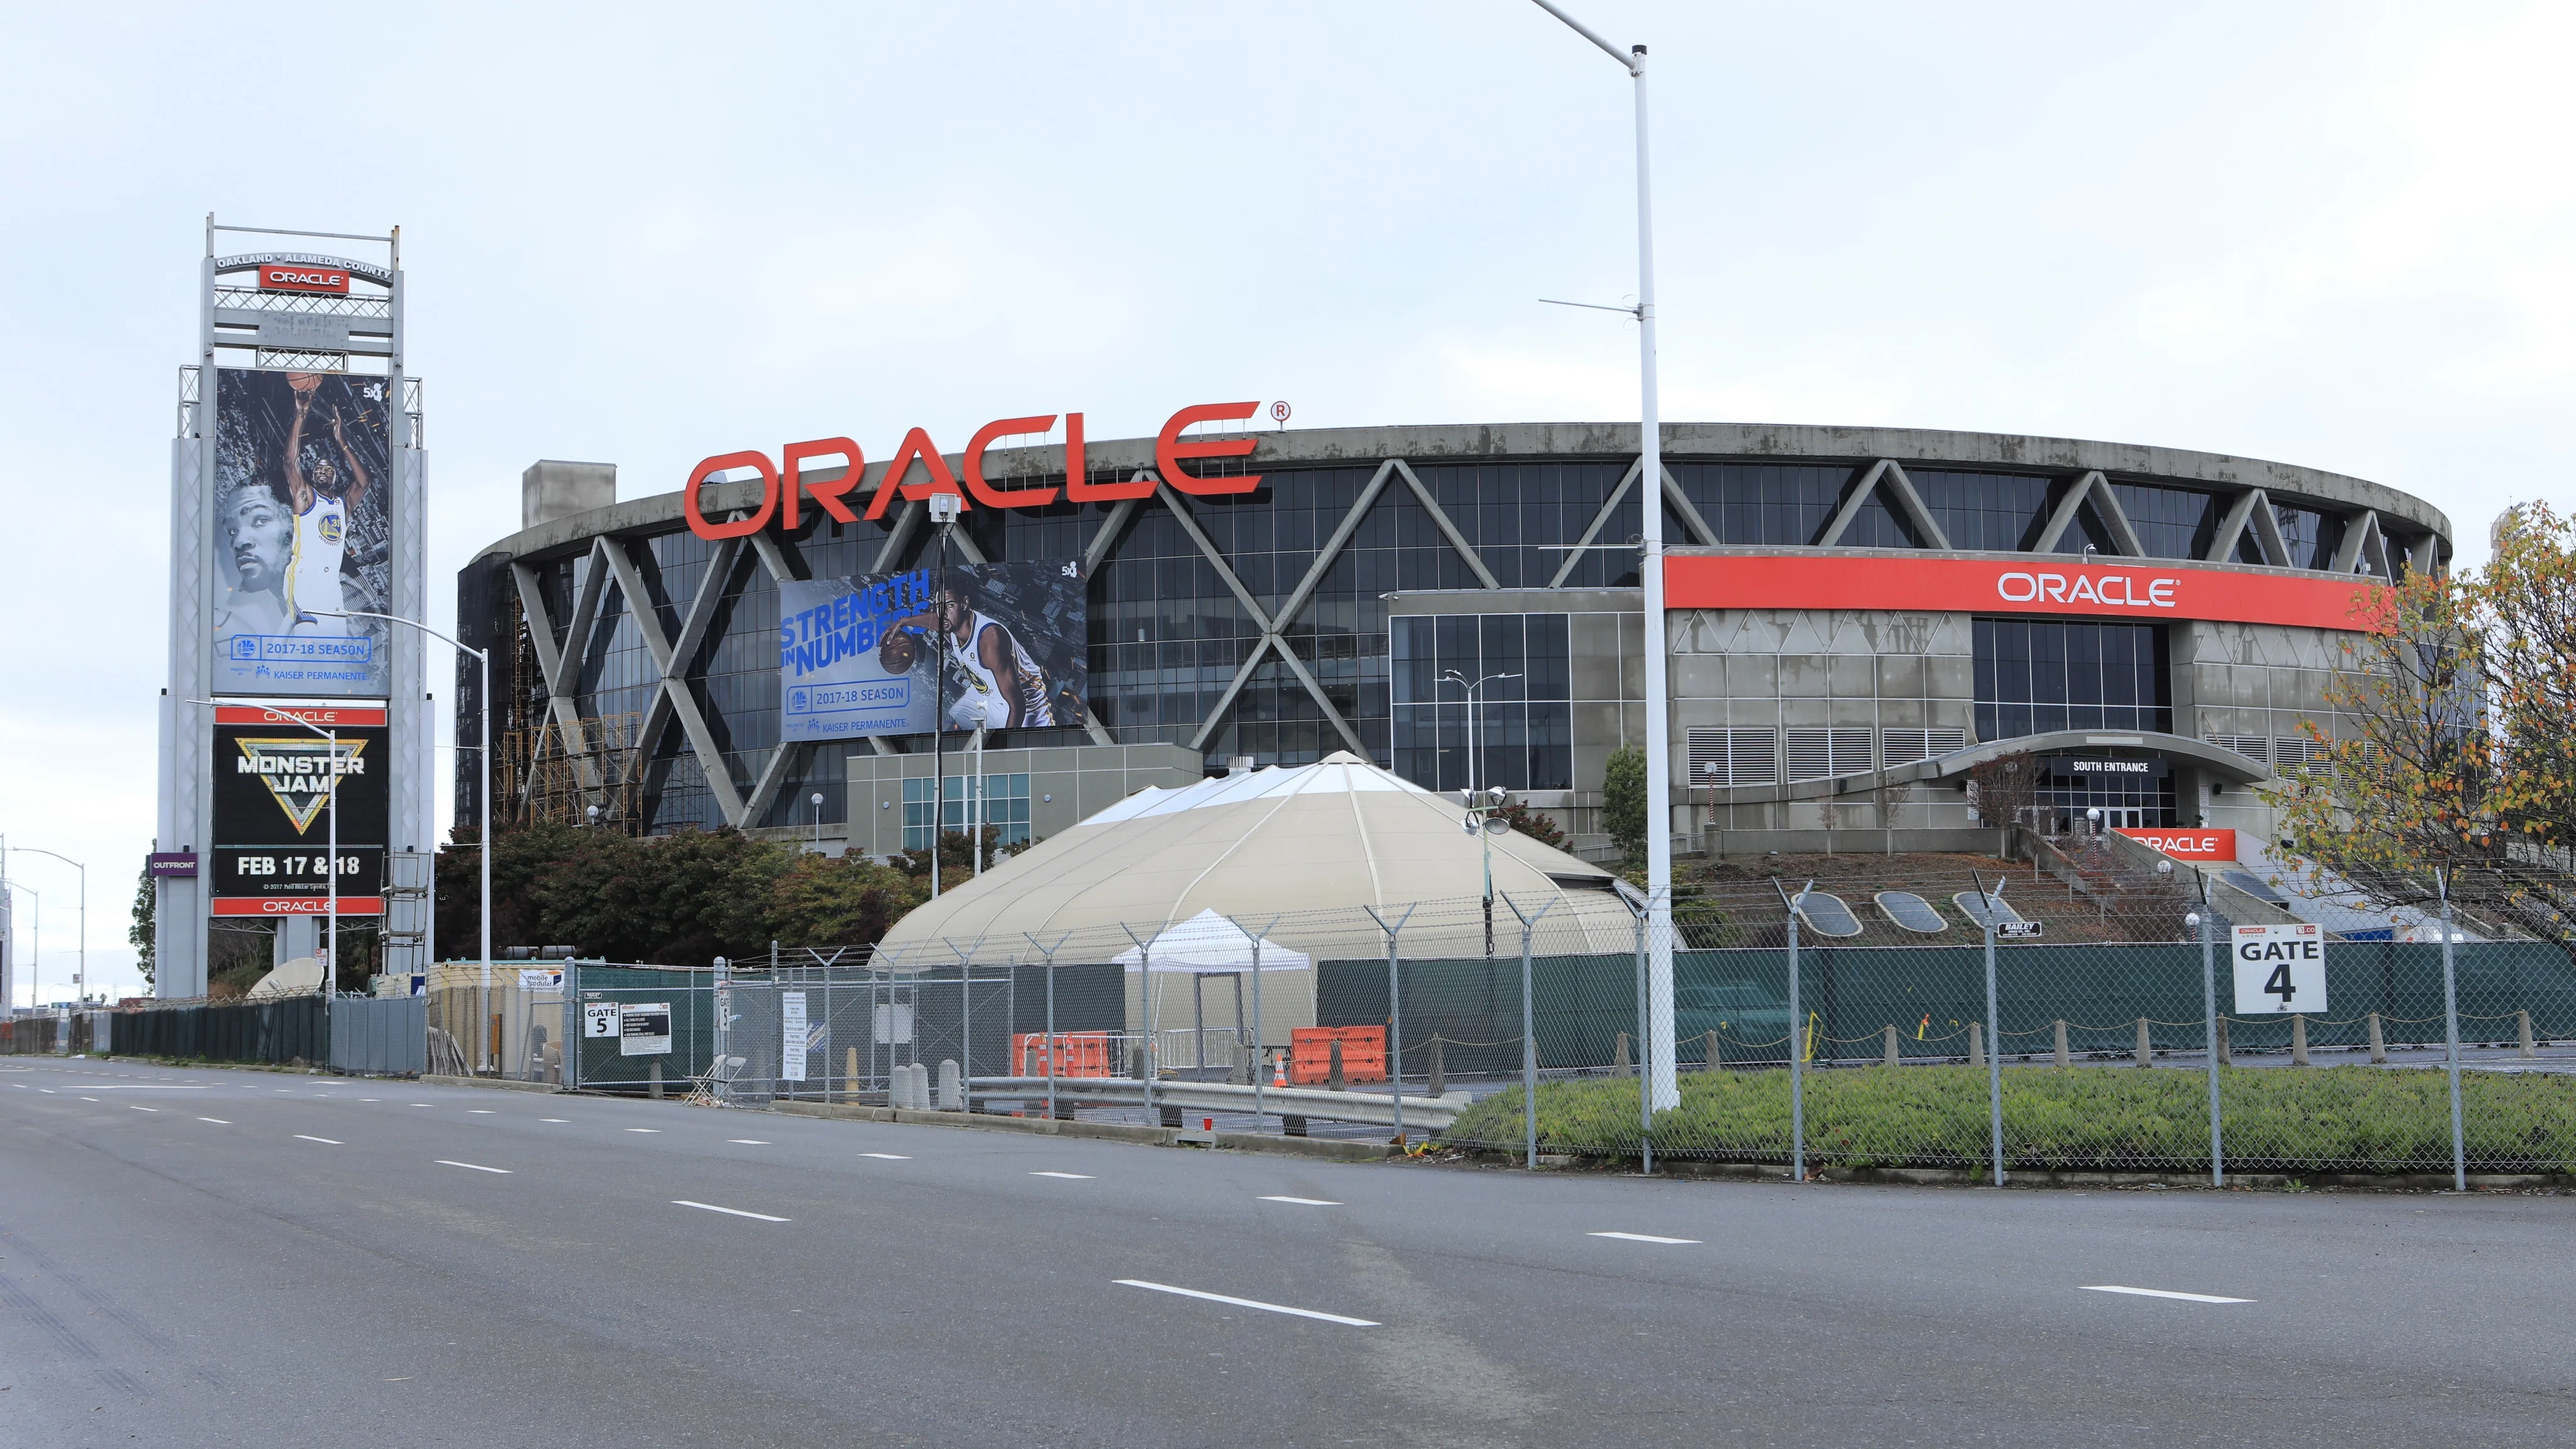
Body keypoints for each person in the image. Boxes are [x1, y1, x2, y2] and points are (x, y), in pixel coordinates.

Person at [891, 583, 1055, 730]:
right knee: (949, 724)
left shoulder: (989, 642)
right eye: (939, 606)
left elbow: (1017, 705)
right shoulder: (954, 624)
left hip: (1026, 710)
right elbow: (936, 620)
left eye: (949, 605)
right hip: (990, 695)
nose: (943, 613)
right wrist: (905, 621)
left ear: (965, 604)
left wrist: (1005, 748)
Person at [280, 374, 372, 632]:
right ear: (312, 475)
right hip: (305, 580)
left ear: (335, 476)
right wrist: (301, 415)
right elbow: (290, 461)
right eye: (318, 468)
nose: (323, 471)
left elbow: (363, 483)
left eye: (329, 469)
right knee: (306, 643)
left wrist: (342, 442)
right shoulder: (306, 497)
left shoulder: (342, 505)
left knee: (334, 653)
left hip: (331, 586)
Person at [213, 479, 306, 639]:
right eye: (233, 531)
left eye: (261, 520)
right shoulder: (280, 615)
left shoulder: (337, 602)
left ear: (294, 526)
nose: (239, 542)